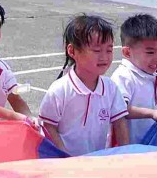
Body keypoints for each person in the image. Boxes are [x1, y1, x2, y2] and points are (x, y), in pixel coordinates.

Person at [38, 14, 129, 155]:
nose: (104, 57)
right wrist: (64, 156)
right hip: (66, 163)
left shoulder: (110, 87)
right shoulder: (60, 90)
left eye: (109, 50)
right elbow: (48, 126)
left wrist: (127, 153)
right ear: (72, 51)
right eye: (97, 50)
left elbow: (120, 123)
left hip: (97, 162)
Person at [113, 14, 157, 144]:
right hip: (127, 149)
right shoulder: (123, 76)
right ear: (127, 52)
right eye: (150, 52)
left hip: (149, 146)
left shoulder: (155, 78)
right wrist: (152, 113)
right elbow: (119, 110)